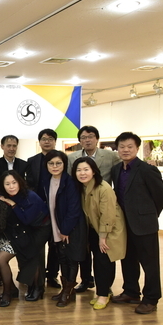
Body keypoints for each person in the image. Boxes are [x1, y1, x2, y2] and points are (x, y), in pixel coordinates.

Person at [111, 132, 163, 314]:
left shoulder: (147, 170)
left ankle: (151, 298)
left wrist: (150, 215)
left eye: (130, 147)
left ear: (137, 148)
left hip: (144, 225)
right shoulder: (116, 169)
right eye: (122, 147)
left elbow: (161, 195)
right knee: (128, 260)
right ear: (117, 149)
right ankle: (131, 292)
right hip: (124, 224)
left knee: (150, 264)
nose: (125, 150)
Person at [66, 125, 121, 293]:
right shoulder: (72, 157)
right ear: (79, 140)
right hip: (83, 209)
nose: (87, 140)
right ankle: (86, 280)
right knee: (84, 250)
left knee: (103, 253)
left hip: (102, 208)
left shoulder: (111, 156)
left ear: (97, 139)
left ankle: (105, 286)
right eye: (83, 137)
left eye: (90, 136)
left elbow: (119, 175)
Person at [72, 157, 127, 310]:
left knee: (104, 261)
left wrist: (103, 237)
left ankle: (103, 294)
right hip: (94, 228)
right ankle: (101, 292)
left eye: (86, 169)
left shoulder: (104, 188)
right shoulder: (82, 187)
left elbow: (108, 215)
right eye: (79, 170)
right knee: (98, 261)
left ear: (94, 171)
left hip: (108, 230)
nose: (82, 173)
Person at [42, 150, 88, 308]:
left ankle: (68, 292)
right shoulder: (47, 180)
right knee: (62, 257)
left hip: (70, 227)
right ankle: (66, 290)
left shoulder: (70, 182)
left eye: (58, 163)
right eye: (51, 163)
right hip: (56, 225)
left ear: (64, 164)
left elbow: (74, 209)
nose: (54, 166)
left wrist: (66, 230)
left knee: (71, 259)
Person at [0, 170, 50, 302]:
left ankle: (38, 288)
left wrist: (13, 204)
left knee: (32, 254)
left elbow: (26, 219)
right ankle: (32, 286)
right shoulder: (7, 195)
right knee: (27, 253)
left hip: (42, 227)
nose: (11, 186)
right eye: (7, 184)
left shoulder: (30, 196)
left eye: (14, 182)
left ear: (19, 182)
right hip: (28, 229)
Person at [25, 128, 61, 290]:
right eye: (44, 139)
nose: (47, 142)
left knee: (55, 244)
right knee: (37, 244)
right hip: (38, 209)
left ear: (55, 142)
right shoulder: (32, 161)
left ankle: (52, 275)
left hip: (57, 207)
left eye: (50, 139)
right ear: (39, 142)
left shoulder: (61, 159)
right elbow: (29, 184)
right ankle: (36, 275)